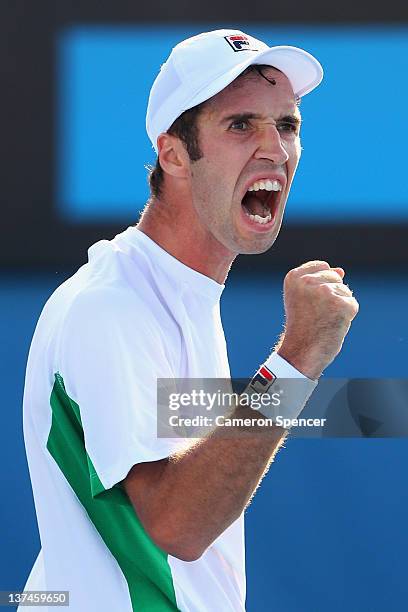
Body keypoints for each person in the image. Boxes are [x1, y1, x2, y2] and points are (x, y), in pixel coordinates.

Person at [21, 29, 359, 612]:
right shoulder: (111, 306)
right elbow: (176, 525)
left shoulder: (170, 293)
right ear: (173, 154)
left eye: (287, 125)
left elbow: (94, 526)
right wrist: (296, 359)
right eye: (240, 125)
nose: (275, 150)